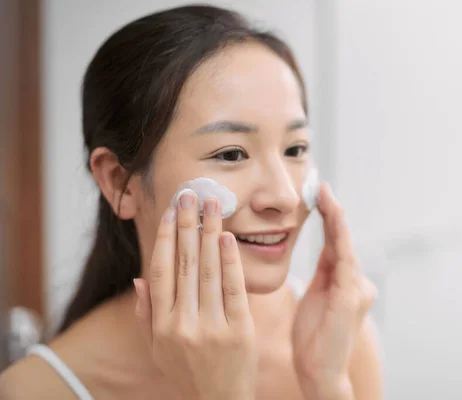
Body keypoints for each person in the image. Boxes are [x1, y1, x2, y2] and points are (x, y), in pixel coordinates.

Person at [0, 5, 382, 399]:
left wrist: (325, 383)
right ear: (120, 183)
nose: (284, 197)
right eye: (231, 154)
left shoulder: (337, 338)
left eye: (296, 148)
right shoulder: (35, 390)